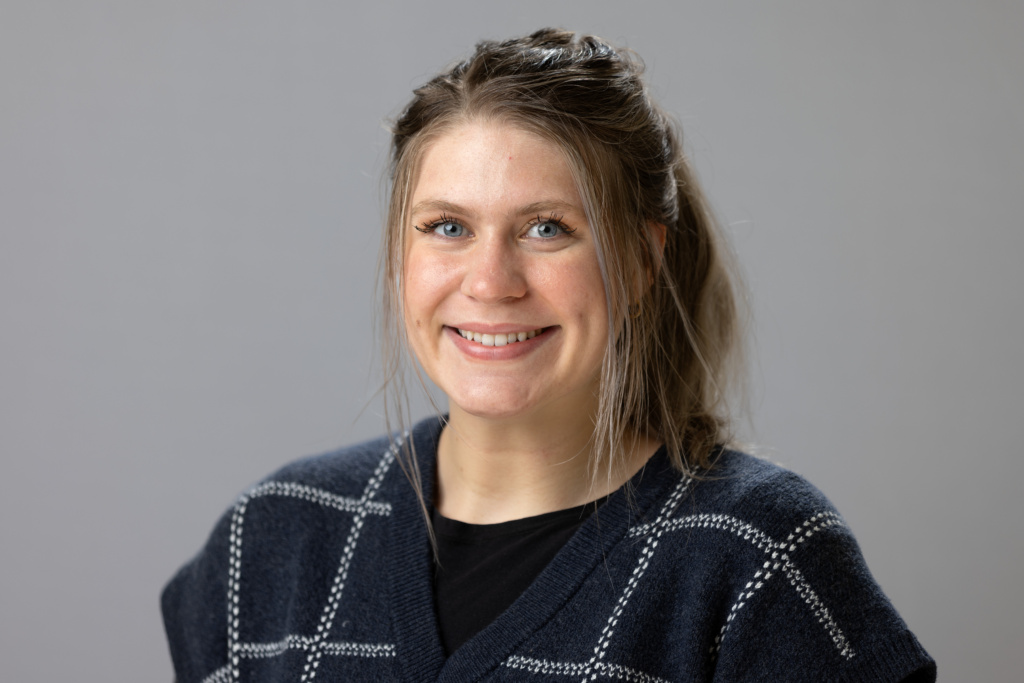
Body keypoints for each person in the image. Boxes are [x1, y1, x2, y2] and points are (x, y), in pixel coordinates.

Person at [162, 29, 936, 682]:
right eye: (446, 226)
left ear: (640, 261)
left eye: (546, 228)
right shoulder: (271, 541)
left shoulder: (751, 557)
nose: (491, 282)